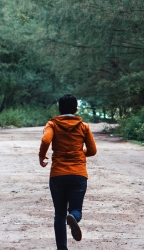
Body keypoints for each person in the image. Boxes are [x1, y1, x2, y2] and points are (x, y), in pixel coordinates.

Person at [39, 94, 97, 249]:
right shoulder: (83, 127)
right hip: (78, 174)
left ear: (59, 109)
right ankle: (74, 217)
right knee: (76, 209)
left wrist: (42, 156)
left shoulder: (52, 124)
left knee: (59, 214)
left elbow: (45, 140)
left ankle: (62, 248)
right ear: (76, 108)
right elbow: (92, 150)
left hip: (58, 174)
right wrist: (78, 153)